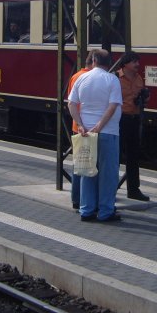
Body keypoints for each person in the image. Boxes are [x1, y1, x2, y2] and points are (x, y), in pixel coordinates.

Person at [67, 49, 122, 222]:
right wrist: (100, 125)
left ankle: (86, 210)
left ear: (94, 60)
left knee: (87, 171)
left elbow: (71, 104)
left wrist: (80, 125)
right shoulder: (112, 79)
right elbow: (113, 106)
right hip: (108, 132)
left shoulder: (82, 78)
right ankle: (105, 211)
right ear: (108, 62)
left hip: (86, 133)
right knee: (108, 174)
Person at [117, 51, 150, 201]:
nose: (137, 64)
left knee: (134, 155)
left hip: (135, 118)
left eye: (138, 61)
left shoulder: (139, 78)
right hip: (120, 119)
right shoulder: (116, 78)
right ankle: (111, 189)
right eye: (134, 61)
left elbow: (143, 101)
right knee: (116, 156)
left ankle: (133, 189)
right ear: (125, 64)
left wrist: (145, 98)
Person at [67, 50, 95, 210]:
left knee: (79, 163)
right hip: (85, 126)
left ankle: (76, 198)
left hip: (76, 125)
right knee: (86, 164)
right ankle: (82, 198)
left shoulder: (75, 76)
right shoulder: (87, 77)